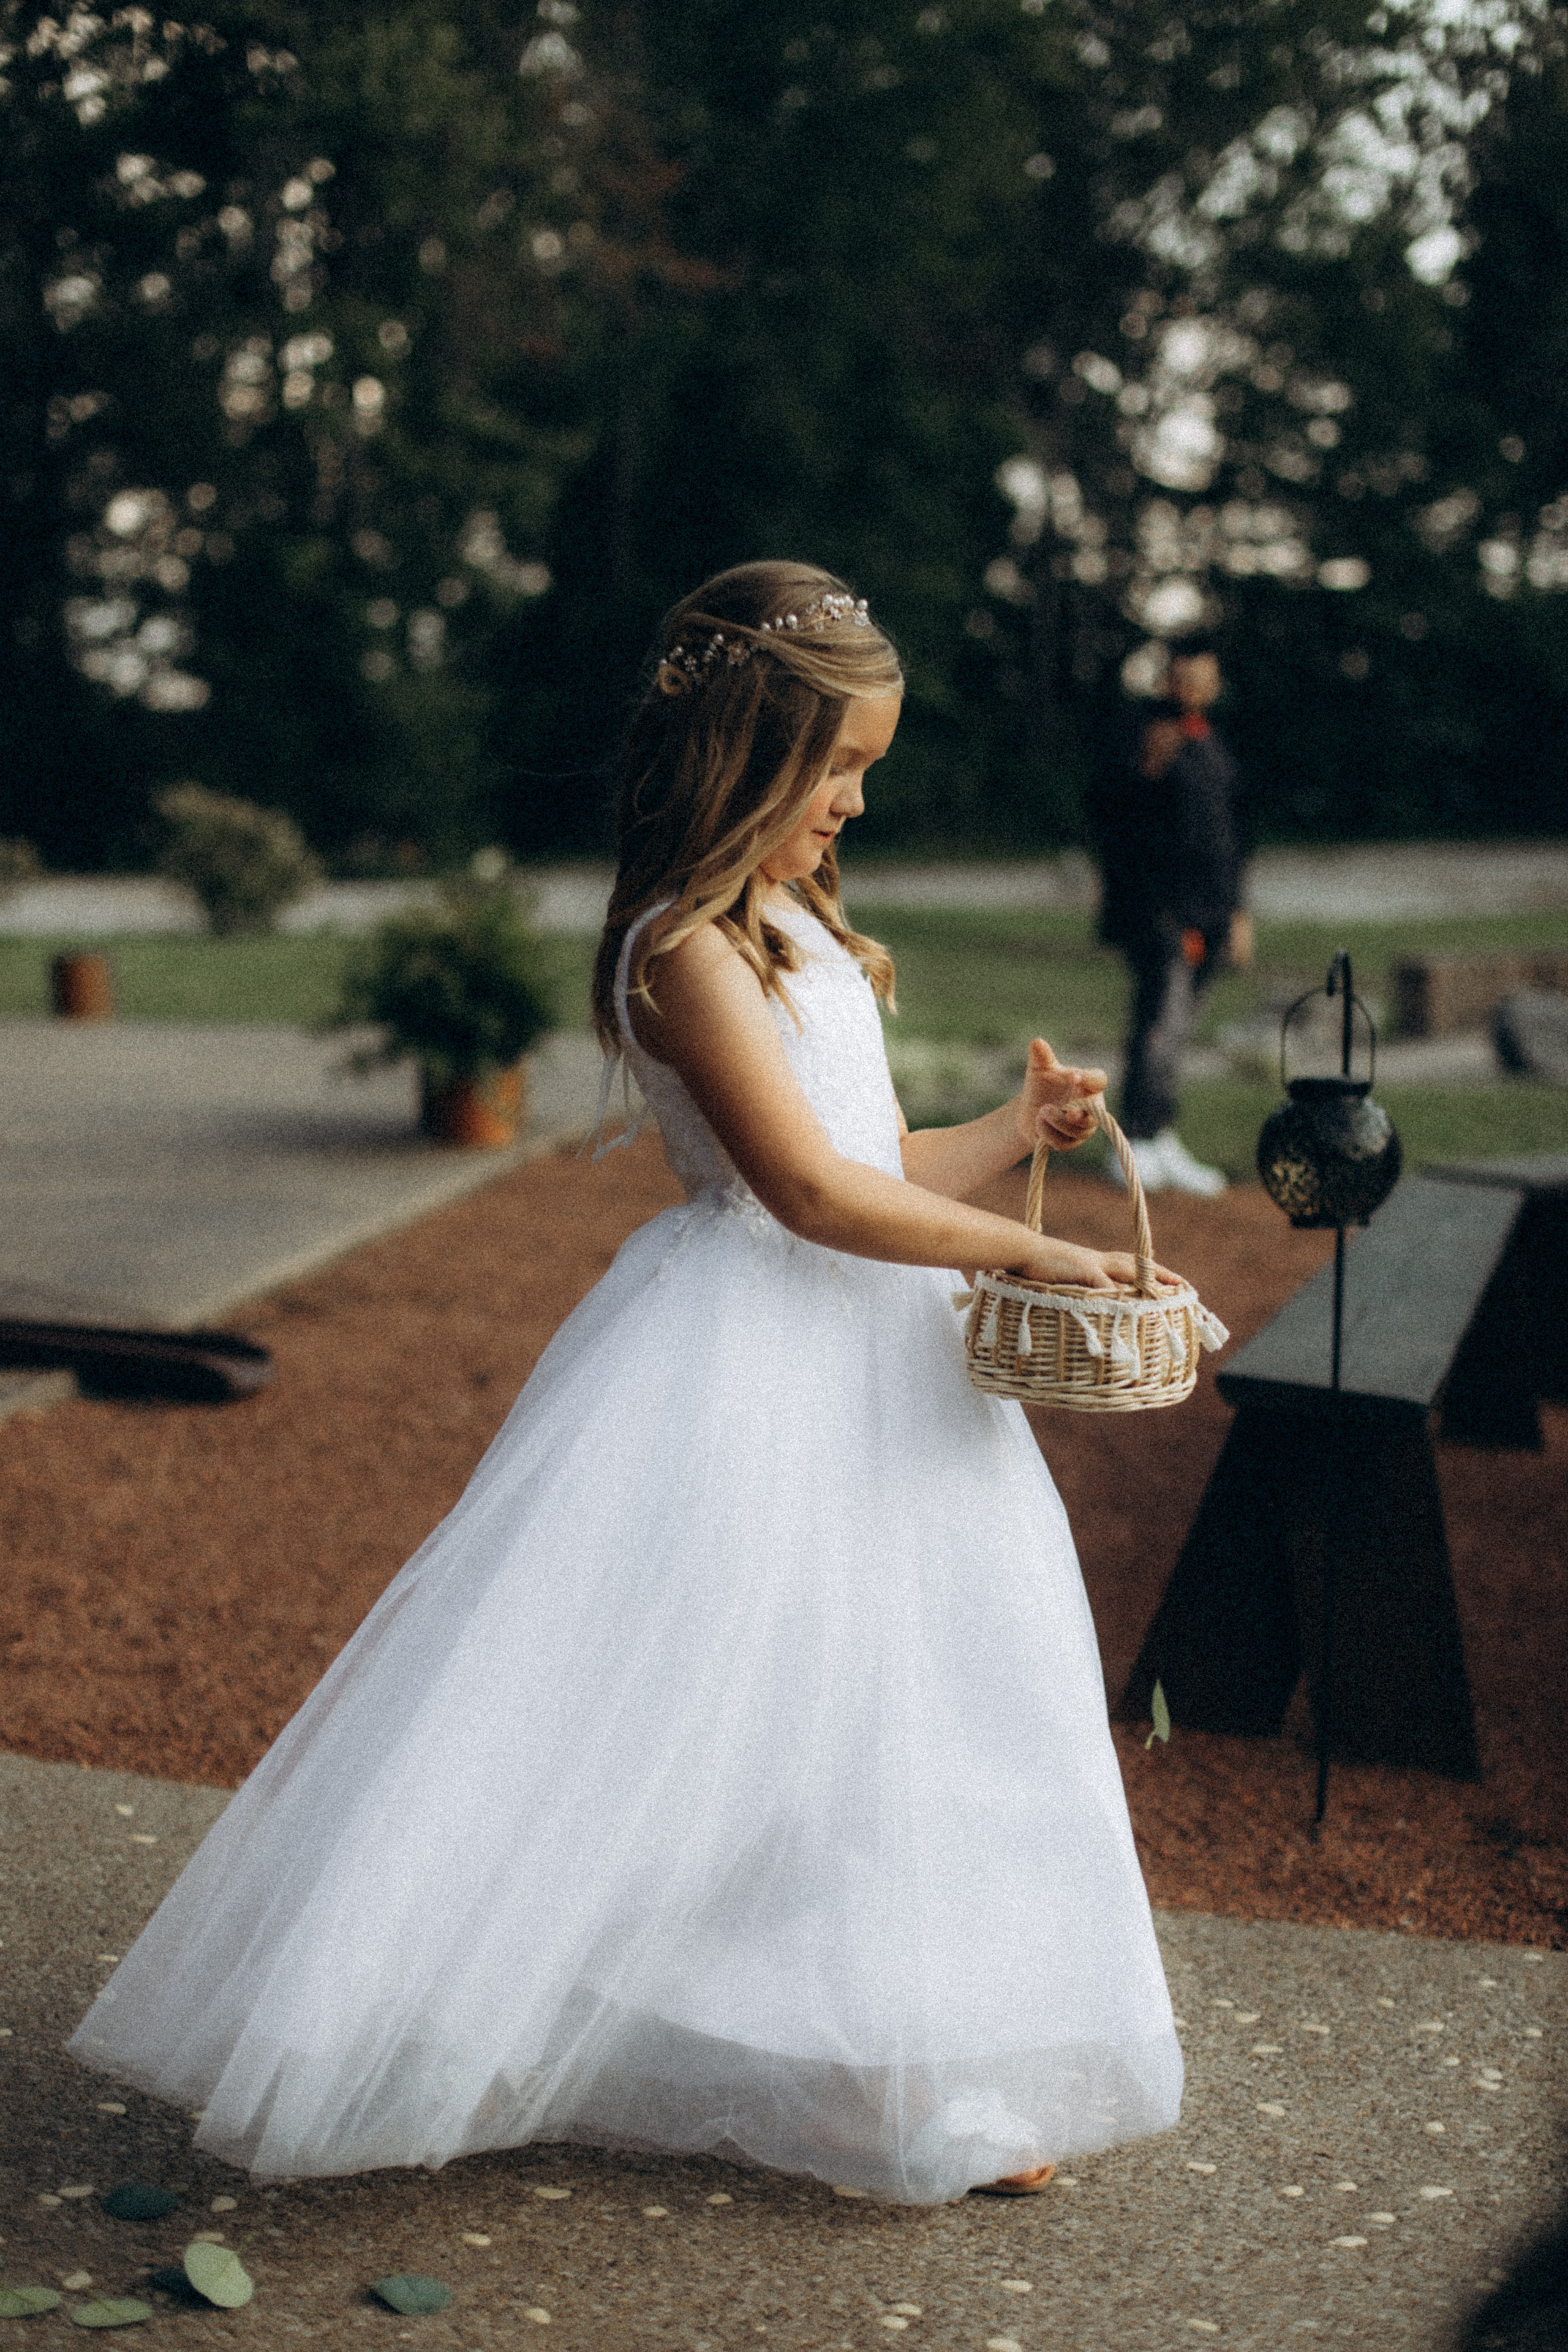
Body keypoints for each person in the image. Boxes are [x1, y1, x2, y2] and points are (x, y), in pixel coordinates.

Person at [68, 561, 1185, 2207]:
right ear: (744, 761)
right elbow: (802, 1195)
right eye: (840, 772)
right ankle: (641, 2026)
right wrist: (1025, 1252)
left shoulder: (804, 930)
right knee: (708, 1704)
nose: (859, 807)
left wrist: (1012, 1145)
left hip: (876, 1359)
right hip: (747, 1361)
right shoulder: (684, 954)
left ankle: (877, 2065)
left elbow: (871, 1158)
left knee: (909, 1703)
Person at [1091, 636, 1251, 1196]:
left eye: (1206, 677)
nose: (1196, 688)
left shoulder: (1214, 745)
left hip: (1212, 911)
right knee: (1159, 1019)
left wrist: (1238, 912)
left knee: (1181, 1024)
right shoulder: (1139, 735)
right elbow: (1114, 820)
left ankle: (1161, 1134)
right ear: (1169, 678)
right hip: (1159, 912)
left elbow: (1232, 836)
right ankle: (1133, 1141)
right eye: (1187, 676)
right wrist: (1144, 771)